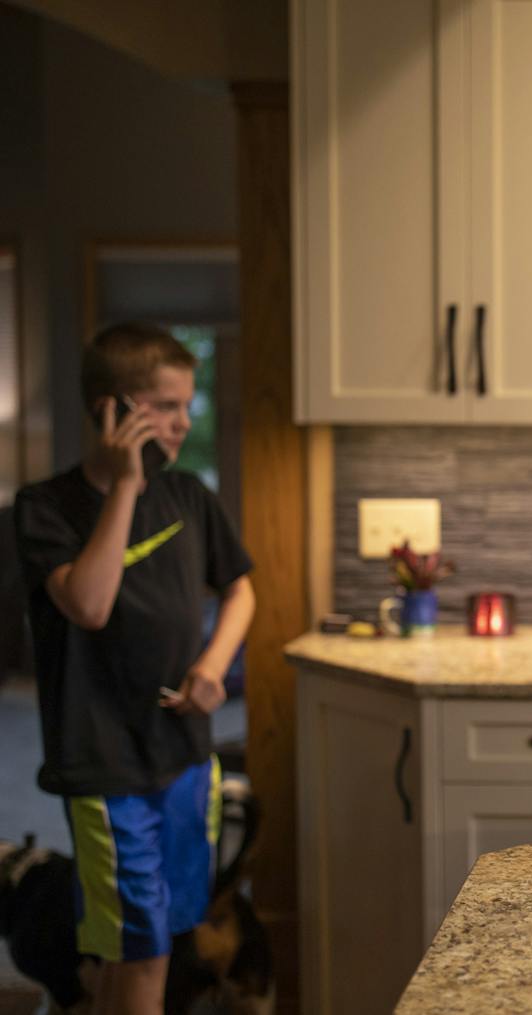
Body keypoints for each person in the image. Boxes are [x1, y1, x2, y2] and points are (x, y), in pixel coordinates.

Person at [13, 322, 255, 1014]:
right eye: (168, 406)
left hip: (183, 757)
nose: (185, 421)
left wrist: (213, 662)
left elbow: (242, 587)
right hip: (106, 766)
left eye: (187, 404)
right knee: (142, 949)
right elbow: (87, 603)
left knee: (148, 945)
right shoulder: (45, 508)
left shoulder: (189, 499)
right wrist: (125, 484)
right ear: (112, 412)